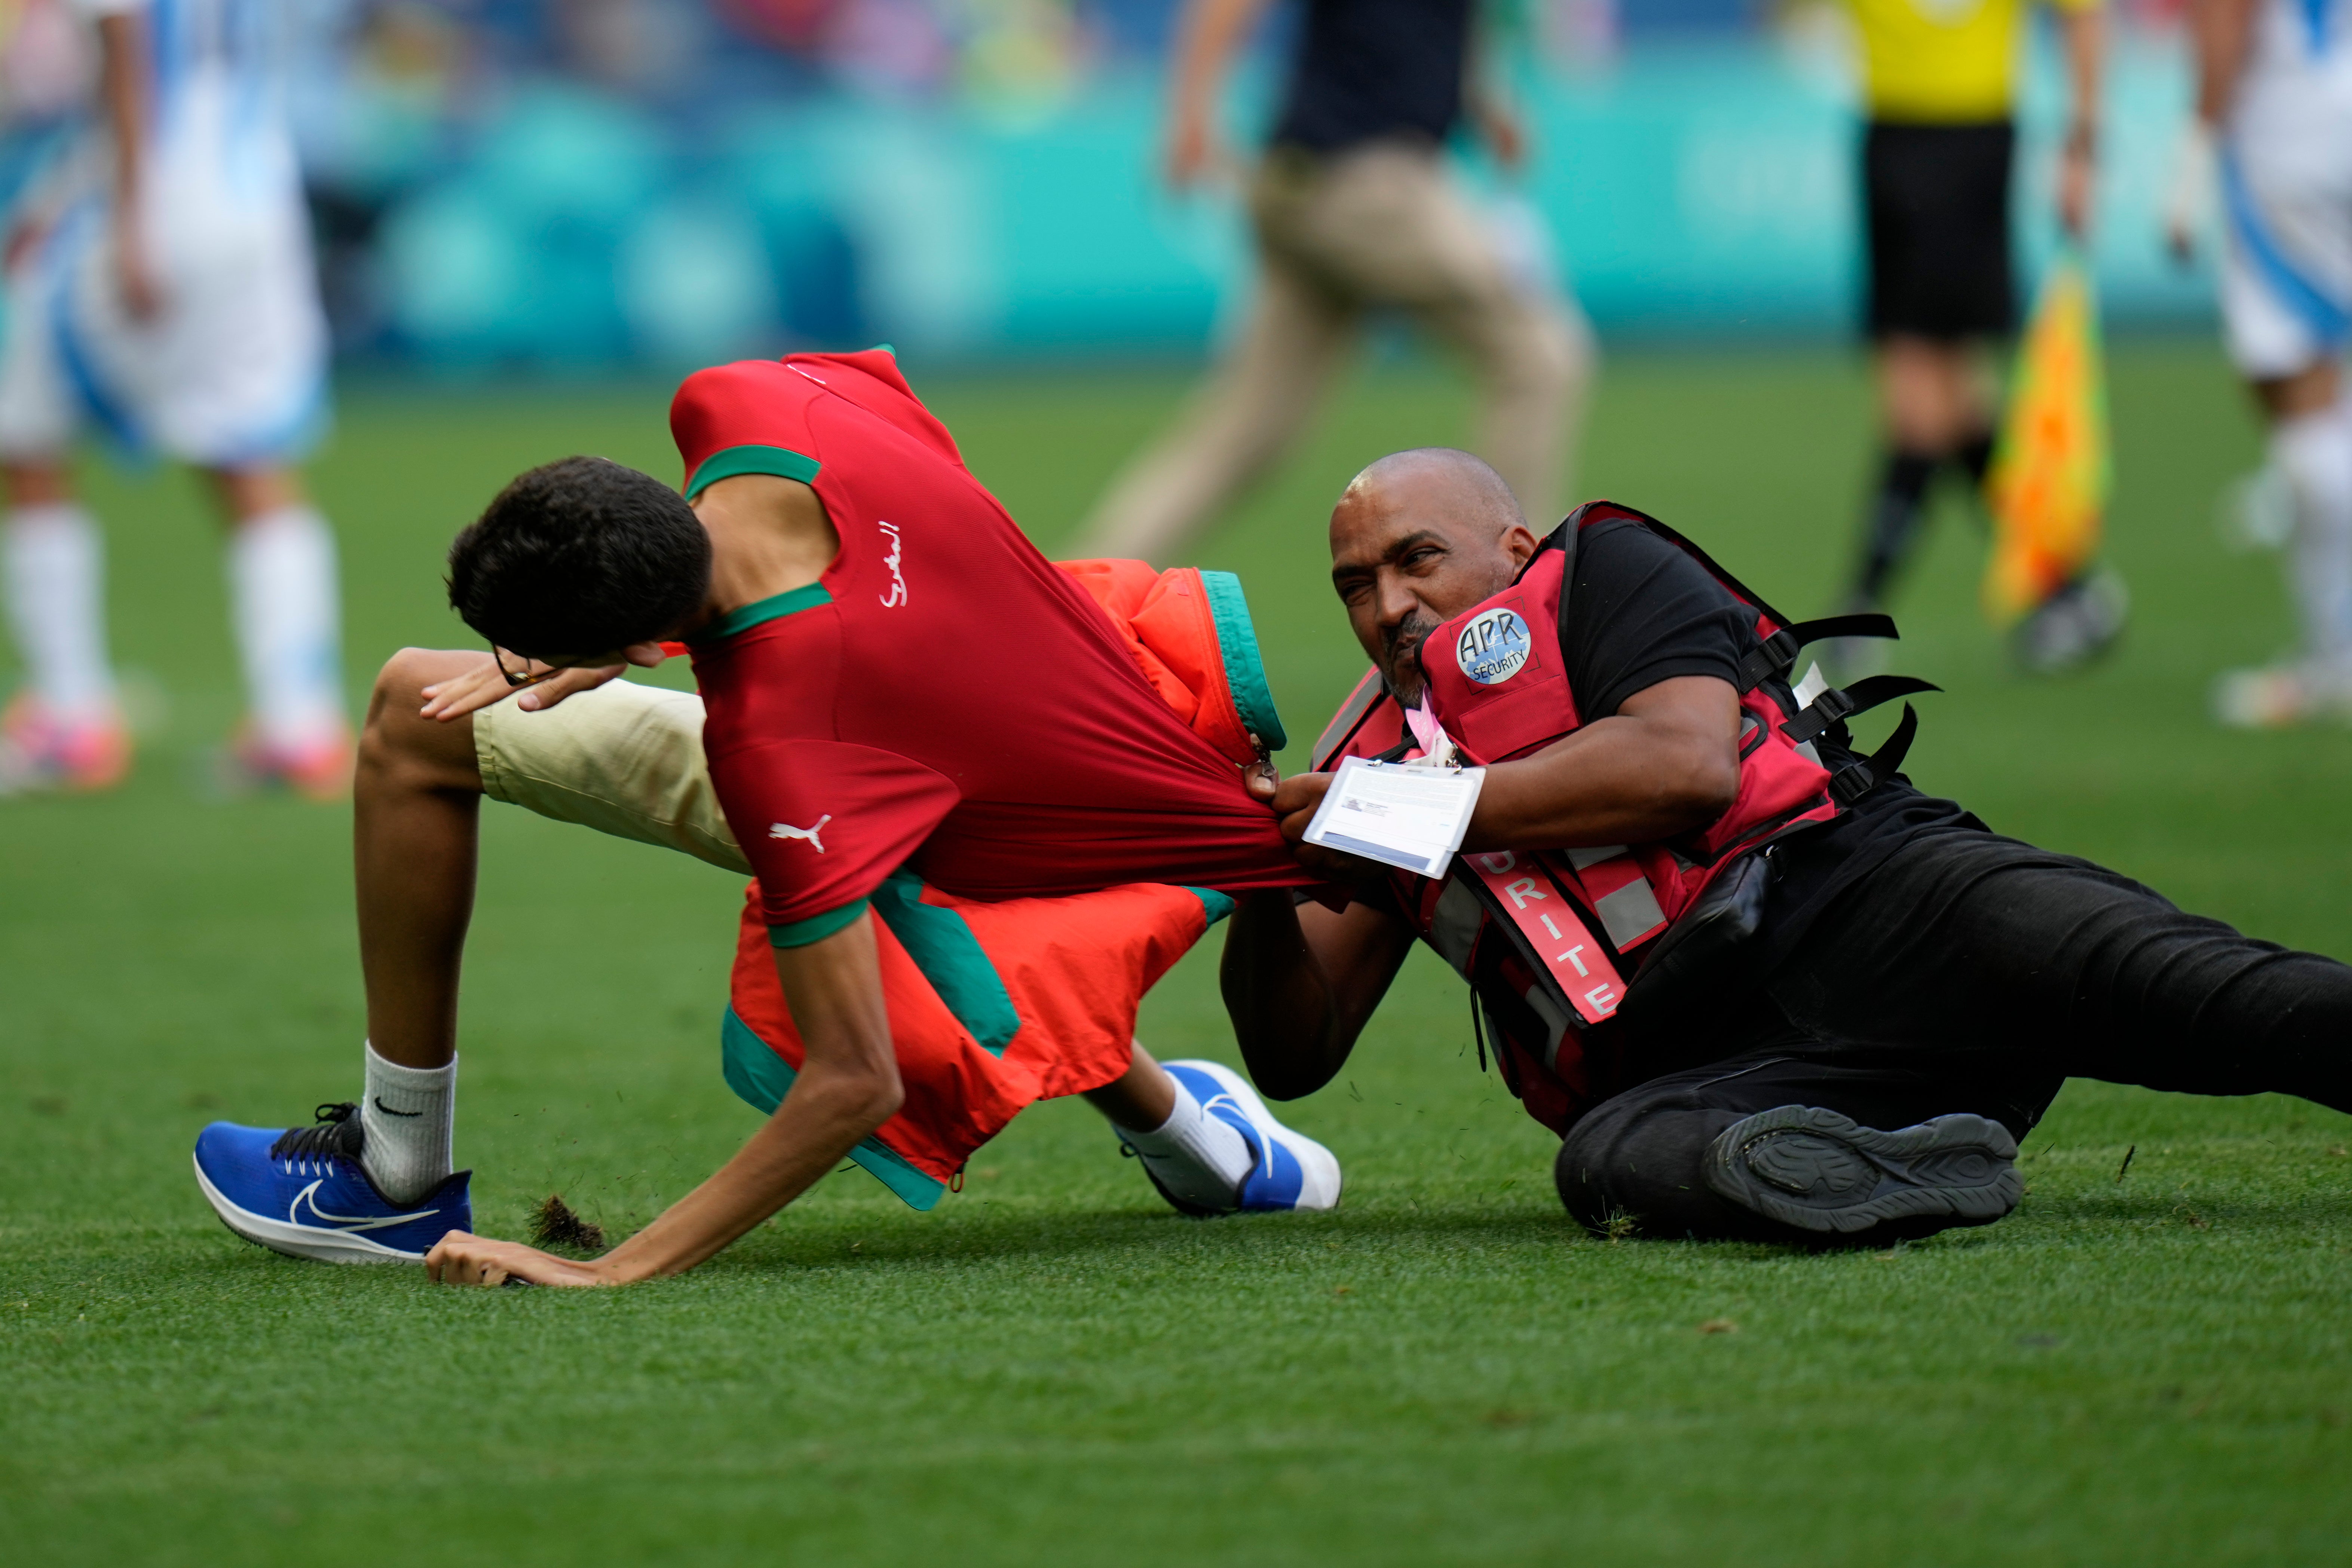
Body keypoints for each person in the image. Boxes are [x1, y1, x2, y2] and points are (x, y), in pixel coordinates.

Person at [191, 348, 1342, 1288]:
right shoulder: (745, 400)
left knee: (410, 720)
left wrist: (610, 1272)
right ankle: (1200, 1144)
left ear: (643, 646)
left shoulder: (788, 750)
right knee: (424, 705)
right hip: (1135, 704)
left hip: (1069, 850)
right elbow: (907, 482)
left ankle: (394, 1175)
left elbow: (854, 1081)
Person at [1222, 447, 2352, 1246]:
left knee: (2214, 996)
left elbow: (1684, 766)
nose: (1390, 605)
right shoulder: (1367, 769)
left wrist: (1397, 814)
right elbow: (1297, 1051)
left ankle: (1904, 1153)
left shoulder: (1602, 577)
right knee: (1610, 1166)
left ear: (1513, 546)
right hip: (1724, 1066)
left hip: (1878, 901)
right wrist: (1259, 870)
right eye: (1355, 587)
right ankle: (1918, 1166)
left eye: (1418, 558)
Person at [1071, 0, 1590, 565]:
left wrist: (1486, 105)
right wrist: (1189, 116)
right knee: (1541, 358)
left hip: (1299, 181)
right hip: (1370, 185)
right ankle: (1520, 601)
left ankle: (1081, 590)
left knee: (1242, 433)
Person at [0, 0, 347, 796]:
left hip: (157, 196)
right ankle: (300, 722)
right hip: (257, 194)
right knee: (251, 455)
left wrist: (128, 217)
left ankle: (68, 714)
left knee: (25, 436)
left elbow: (120, 42)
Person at [1834, 0, 2122, 673]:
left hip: (1971, 142)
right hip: (1891, 139)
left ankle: (1863, 606)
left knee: (1920, 400)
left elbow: (2082, 16)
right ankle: (2068, 587)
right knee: (1951, 403)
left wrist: (2083, 146)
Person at [2168, 0, 2352, 726]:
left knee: (2297, 391)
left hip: (2290, 139)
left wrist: (2193, 151)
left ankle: (2334, 655)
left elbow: (2226, 15)